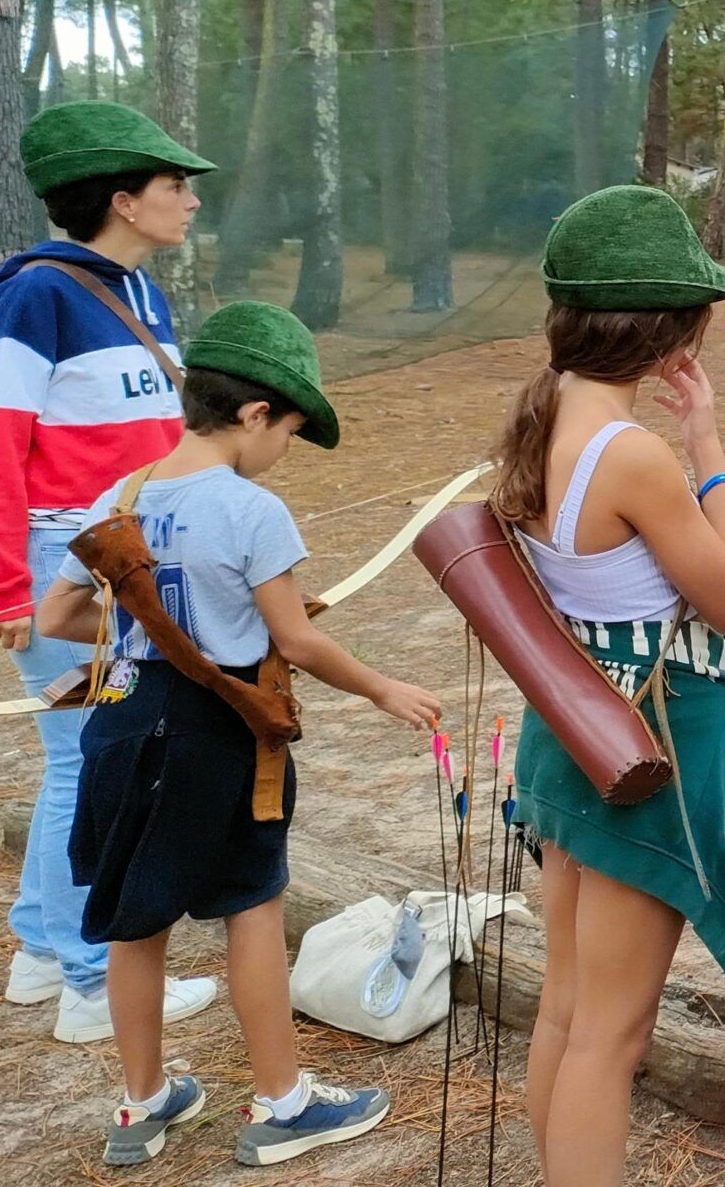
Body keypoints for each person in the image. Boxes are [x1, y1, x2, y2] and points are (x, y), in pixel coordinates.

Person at [33, 301, 444, 1166]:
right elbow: (293, 641)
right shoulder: (252, 509)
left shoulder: (126, 495)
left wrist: (148, 632)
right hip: (220, 736)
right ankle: (284, 1105)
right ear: (255, 415)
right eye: (288, 430)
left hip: (121, 726)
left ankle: (142, 1108)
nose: (282, 449)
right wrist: (383, 688)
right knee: (253, 909)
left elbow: (59, 612)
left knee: (135, 924)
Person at [496, 186, 725, 1187]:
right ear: (666, 333)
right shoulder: (635, 453)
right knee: (611, 1031)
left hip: (573, 732)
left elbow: (619, 609)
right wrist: (709, 449)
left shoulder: (540, 417)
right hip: (644, 757)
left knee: (565, 1007)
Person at [0, 100, 223, 1044]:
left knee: (77, 756)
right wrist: (3, 591)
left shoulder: (140, 293)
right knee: (92, 758)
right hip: (58, 568)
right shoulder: (35, 295)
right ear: (122, 200)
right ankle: (88, 981)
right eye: (174, 187)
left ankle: (40, 947)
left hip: (121, 561)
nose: (190, 202)